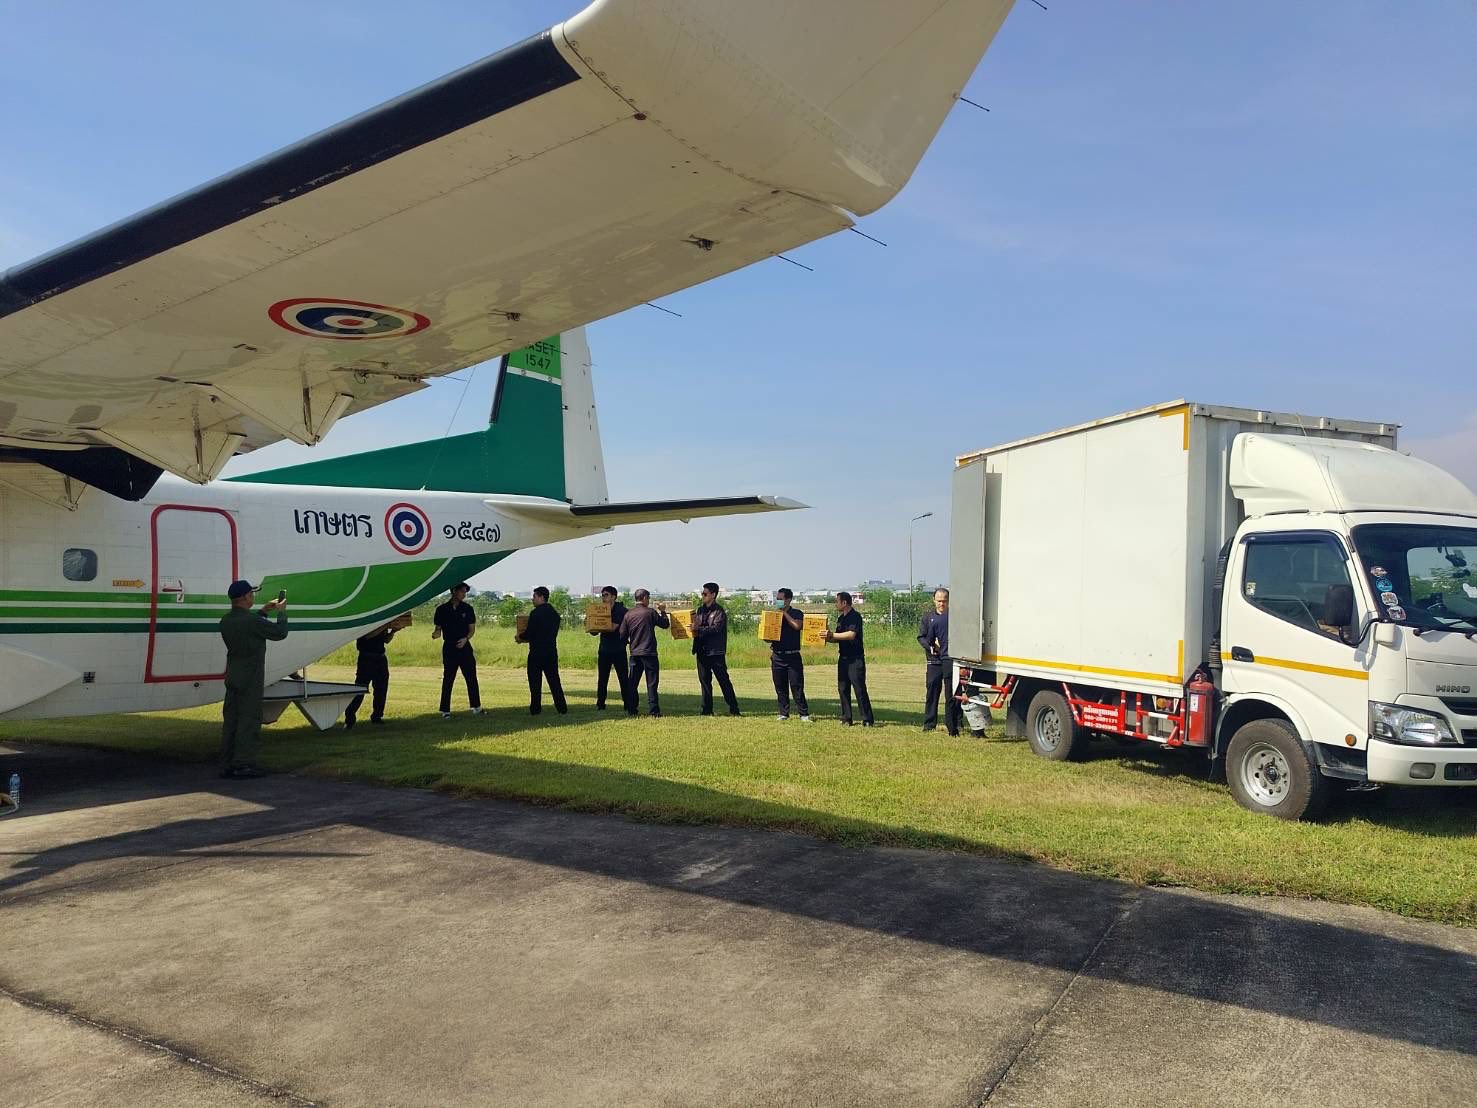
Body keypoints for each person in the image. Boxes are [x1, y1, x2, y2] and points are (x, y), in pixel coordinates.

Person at [218, 580, 289, 778]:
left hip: (233, 675)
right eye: (251, 594)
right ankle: (244, 763)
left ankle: (228, 763)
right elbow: (280, 633)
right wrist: (282, 612)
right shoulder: (251, 622)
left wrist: (264, 611)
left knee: (231, 720)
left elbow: (250, 626)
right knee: (248, 721)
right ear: (245, 597)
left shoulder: (226, 621)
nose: (253, 597)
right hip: (250, 677)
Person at [432, 582, 482, 719]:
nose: (464, 595)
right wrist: (436, 634)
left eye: (465, 592)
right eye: (462, 592)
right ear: (454, 591)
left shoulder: (467, 608)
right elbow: (438, 629)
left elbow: (472, 630)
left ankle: (476, 706)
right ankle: (445, 710)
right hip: (449, 646)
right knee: (448, 678)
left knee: (471, 677)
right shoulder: (441, 609)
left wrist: (466, 639)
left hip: (464, 646)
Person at [692, 581, 741, 716]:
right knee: (705, 681)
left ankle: (734, 709)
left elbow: (716, 628)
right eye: (702, 593)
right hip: (701, 650)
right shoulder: (700, 610)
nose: (703, 596)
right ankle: (707, 710)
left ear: (713, 595)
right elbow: (697, 625)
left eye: (705, 593)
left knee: (723, 681)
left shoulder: (719, 611)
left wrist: (698, 629)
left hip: (715, 652)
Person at [825, 591, 874, 726]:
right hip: (843, 658)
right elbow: (838, 638)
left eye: (837, 601)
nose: (836, 604)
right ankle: (847, 718)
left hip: (855, 659)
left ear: (844, 603)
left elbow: (851, 635)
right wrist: (827, 638)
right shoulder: (841, 619)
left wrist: (832, 634)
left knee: (859, 688)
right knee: (843, 688)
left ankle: (867, 719)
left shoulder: (855, 617)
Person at [518, 585, 568, 715]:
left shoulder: (536, 613)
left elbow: (530, 633)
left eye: (534, 596)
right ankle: (562, 708)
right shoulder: (554, 614)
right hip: (551, 651)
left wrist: (520, 637)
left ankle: (535, 709)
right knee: (554, 680)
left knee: (535, 682)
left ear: (541, 597)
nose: (532, 599)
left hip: (536, 652)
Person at [620, 588, 669, 717]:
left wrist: (630, 642)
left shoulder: (628, 614)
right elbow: (665, 624)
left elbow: (622, 635)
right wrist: (663, 611)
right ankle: (654, 710)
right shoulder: (650, 612)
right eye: (648, 598)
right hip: (649, 653)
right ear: (645, 598)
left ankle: (632, 709)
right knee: (652, 683)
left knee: (633, 683)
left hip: (635, 653)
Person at [919, 587, 961, 736]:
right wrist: (931, 647)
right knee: (932, 690)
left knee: (953, 692)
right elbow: (922, 637)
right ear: (934, 600)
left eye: (944, 601)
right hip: (934, 660)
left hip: (950, 660)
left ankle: (957, 722)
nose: (941, 604)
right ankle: (929, 723)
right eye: (939, 601)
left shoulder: (954, 617)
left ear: (949, 601)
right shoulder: (928, 617)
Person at [344, 621, 397, 729]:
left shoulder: (383, 622)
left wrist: (393, 631)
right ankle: (349, 718)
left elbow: (386, 640)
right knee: (360, 688)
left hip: (380, 658)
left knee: (381, 689)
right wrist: (385, 625)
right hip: (366, 658)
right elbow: (368, 635)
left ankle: (377, 716)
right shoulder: (366, 622)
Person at [588, 585, 632, 712]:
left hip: (618, 648)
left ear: (614, 596)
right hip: (604, 649)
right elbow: (594, 632)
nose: (603, 598)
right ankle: (600, 704)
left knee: (623, 678)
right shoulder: (599, 610)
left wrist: (597, 624)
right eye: (602, 595)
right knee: (602, 678)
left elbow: (613, 627)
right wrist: (591, 623)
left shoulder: (621, 610)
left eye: (606, 595)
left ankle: (627, 704)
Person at [770, 588, 811, 722]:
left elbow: (797, 626)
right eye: (778, 599)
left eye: (781, 599)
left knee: (797, 686)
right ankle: (783, 713)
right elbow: (769, 635)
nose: (779, 601)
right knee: (780, 687)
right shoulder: (774, 615)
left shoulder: (796, 613)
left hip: (792, 656)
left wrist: (784, 614)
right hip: (777, 655)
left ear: (788, 600)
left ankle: (803, 714)